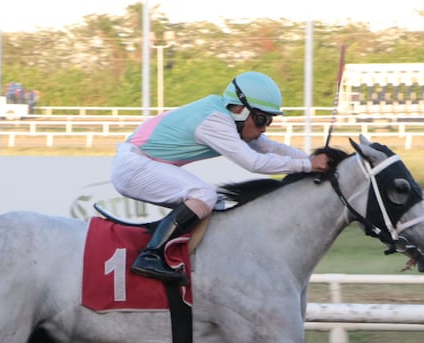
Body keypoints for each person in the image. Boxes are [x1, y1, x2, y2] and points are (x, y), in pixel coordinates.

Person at [111, 71, 331, 282]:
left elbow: (270, 147)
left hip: (143, 163)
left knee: (215, 203)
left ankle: (196, 263)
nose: (264, 128)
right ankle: (151, 256)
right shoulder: (214, 121)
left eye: (269, 121)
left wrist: (314, 160)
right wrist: (308, 165)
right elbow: (253, 162)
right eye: (262, 119)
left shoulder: (228, 117)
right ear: (240, 109)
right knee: (204, 195)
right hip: (133, 167)